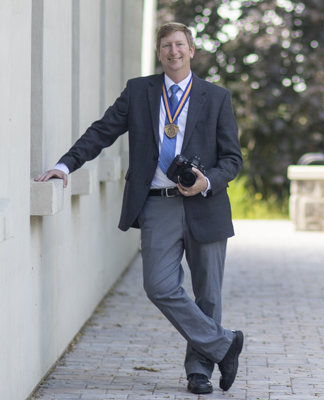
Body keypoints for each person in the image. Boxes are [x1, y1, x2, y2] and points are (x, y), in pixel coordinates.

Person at [35, 22, 244, 395]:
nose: (174, 51)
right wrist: (65, 164)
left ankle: (200, 371)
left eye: (180, 44)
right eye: (166, 46)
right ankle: (224, 344)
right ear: (159, 52)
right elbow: (102, 131)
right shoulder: (139, 91)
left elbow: (232, 159)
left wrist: (206, 180)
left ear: (192, 50)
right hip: (157, 204)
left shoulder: (217, 97)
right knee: (159, 285)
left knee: (208, 293)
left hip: (205, 204)